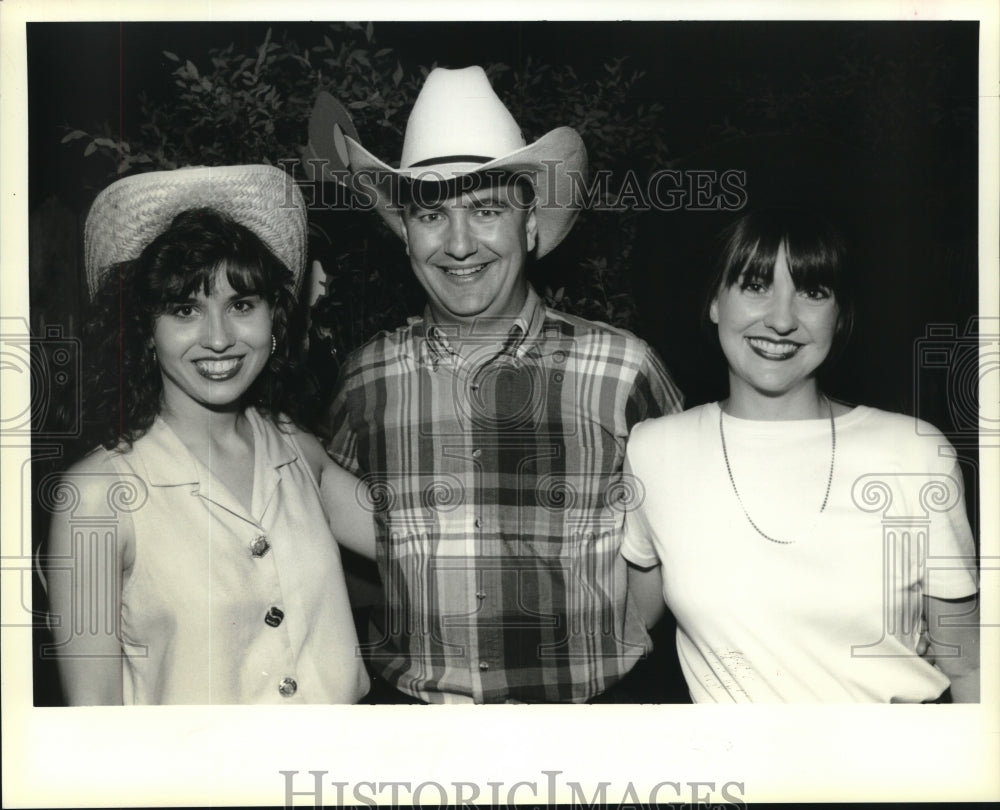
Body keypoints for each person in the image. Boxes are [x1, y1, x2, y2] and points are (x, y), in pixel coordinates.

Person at [321, 66, 684, 703]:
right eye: (432, 214)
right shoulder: (365, 377)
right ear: (405, 235)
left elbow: (685, 528)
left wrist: (620, 644)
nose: (459, 244)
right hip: (413, 744)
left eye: (487, 210)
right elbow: (338, 536)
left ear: (532, 227)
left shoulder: (623, 370)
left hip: (588, 735)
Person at [622, 207, 980, 703]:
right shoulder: (654, 451)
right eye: (754, 285)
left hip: (899, 770)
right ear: (713, 301)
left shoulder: (914, 453)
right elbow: (619, 627)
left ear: (839, 314)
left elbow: (969, 667)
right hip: (738, 775)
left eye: (813, 292)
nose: (783, 319)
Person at [42, 165, 371, 704]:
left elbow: (423, 539)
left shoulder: (295, 450)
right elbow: (94, 736)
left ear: (273, 317)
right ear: (145, 330)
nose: (219, 339)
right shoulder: (95, 498)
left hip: (330, 784)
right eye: (185, 309)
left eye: (241, 305)